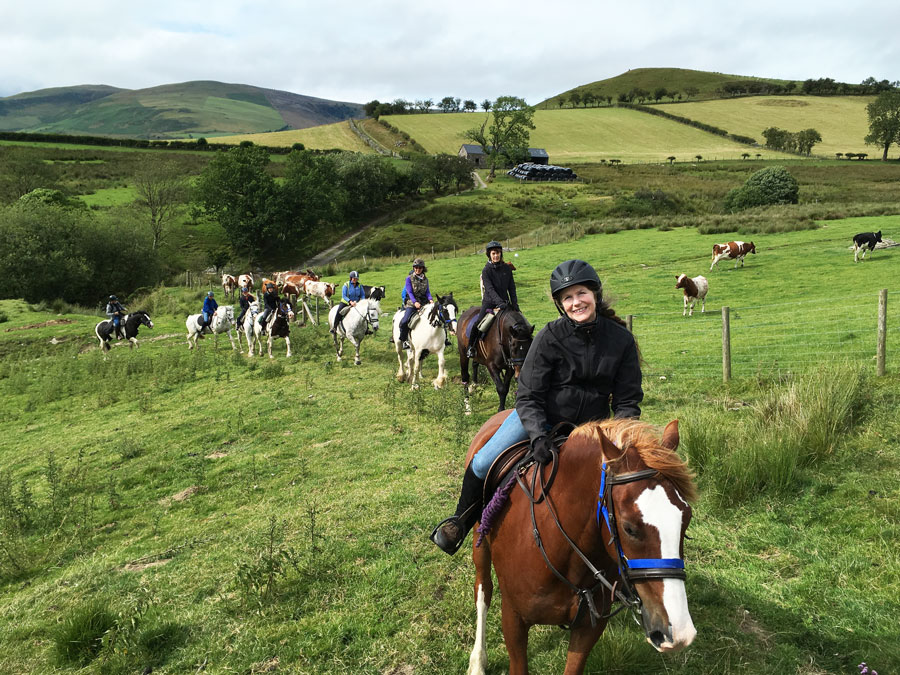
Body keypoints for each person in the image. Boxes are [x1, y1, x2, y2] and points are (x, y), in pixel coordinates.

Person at [431, 259, 644, 555]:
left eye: (581, 293)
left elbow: (627, 400)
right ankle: (461, 522)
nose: (576, 302)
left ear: (594, 293)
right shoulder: (549, 337)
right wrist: (537, 435)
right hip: (542, 419)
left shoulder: (620, 340)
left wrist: (620, 438)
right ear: (560, 305)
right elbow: (529, 394)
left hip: (594, 430)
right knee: (481, 462)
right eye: (567, 298)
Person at [467, 240, 518, 359]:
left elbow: (512, 288)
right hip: (489, 302)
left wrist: (515, 305)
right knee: (479, 323)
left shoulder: (507, 268)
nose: (496, 256)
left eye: (498, 253)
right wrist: (499, 302)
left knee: (519, 323)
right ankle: (471, 347)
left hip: (505, 303)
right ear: (489, 255)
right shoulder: (486, 271)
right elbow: (489, 290)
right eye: (493, 253)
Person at [398, 259, 432, 350]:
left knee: (437, 315)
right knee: (405, 321)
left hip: (424, 303)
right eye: (416, 267)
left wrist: (431, 299)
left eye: (420, 267)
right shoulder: (409, 278)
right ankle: (404, 340)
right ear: (414, 268)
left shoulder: (425, 279)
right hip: (412, 303)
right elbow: (409, 292)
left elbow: (427, 292)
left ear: (423, 268)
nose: (418, 269)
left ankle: (443, 339)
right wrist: (415, 302)